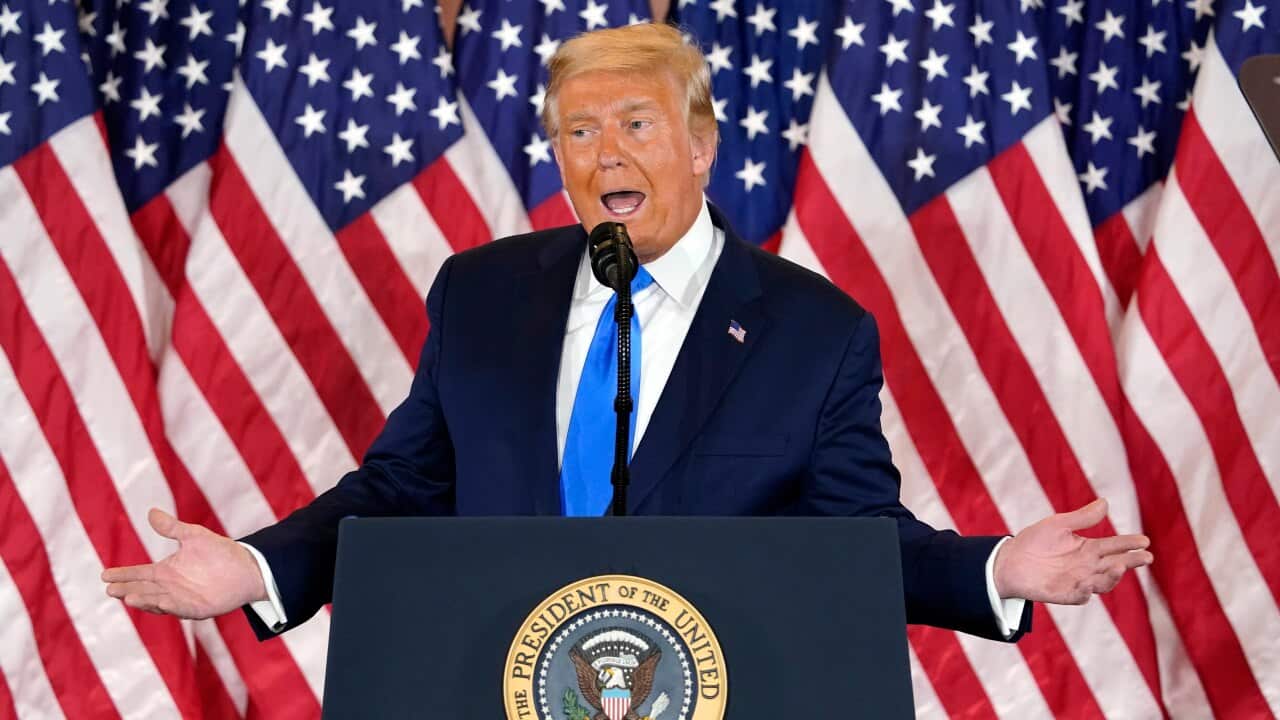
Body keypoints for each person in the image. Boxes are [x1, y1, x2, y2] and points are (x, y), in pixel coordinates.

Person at [103, 23, 1151, 645]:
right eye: (578, 130)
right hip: (495, 681)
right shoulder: (479, 294)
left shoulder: (811, 330)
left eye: (636, 124)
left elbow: (850, 537)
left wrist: (995, 570)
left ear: (700, 147)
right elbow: (398, 490)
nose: (605, 150)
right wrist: (257, 568)